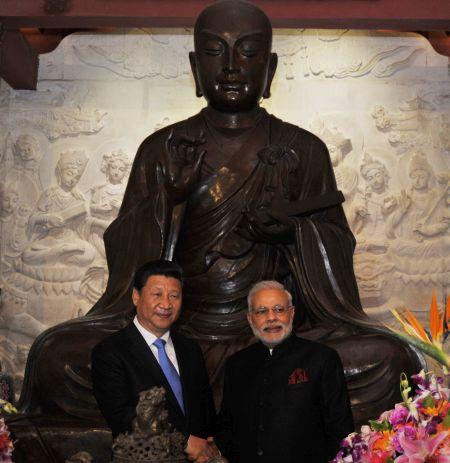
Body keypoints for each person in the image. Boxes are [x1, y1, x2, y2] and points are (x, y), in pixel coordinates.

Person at [19, 0, 420, 431]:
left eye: (248, 53)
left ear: (270, 68)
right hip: (177, 331)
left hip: (274, 332)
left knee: (389, 360)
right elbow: (125, 255)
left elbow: (336, 244)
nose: (231, 67)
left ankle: (186, 414)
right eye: (214, 52)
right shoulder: (163, 149)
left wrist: (294, 234)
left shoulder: (303, 150)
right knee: (54, 355)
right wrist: (168, 199)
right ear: (195, 67)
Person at [215, 280, 353, 463]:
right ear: (250, 318)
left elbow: (340, 428)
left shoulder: (322, 358)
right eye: (261, 311)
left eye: (279, 309)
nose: (271, 318)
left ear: (292, 313)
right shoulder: (236, 364)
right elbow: (226, 425)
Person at [91, 260, 216, 463]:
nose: (166, 304)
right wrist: (183, 443)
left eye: (174, 296)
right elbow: (122, 418)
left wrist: (211, 445)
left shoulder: (190, 349)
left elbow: (205, 409)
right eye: (157, 294)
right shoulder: (109, 352)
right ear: (136, 297)